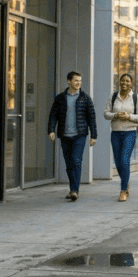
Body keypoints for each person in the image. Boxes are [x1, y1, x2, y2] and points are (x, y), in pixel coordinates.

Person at [47, 71, 97, 202]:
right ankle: (72, 189)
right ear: (69, 81)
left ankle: (75, 190)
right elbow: (53, 115)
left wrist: (93, 135)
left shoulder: (85, 98)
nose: (78, 83)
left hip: (79, 135)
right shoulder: (60, 98)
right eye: (76, 81)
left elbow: (92, 117)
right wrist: (51, 130)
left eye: (80, 81)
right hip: (64, 135)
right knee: (69, 164)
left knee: (76, 160)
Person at [104, 73, 138, 202]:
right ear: (119, 82)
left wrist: (129, 117)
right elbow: (106, 114)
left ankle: (123, 190)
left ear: (131, 84)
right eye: (122, 81)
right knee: (117, 162)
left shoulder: (136, 98)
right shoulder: (113, 96)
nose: (125, 83)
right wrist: (115, 115)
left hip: (129, 133)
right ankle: (126, 183)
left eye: (127, 81)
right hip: (115, 133)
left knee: (124, 160)